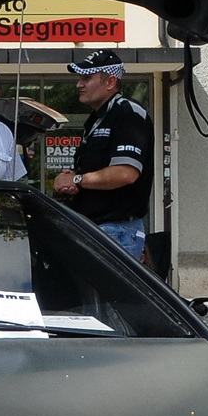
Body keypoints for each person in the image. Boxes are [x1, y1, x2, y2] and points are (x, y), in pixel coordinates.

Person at [52, 50, 153, 260]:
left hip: (116, 232)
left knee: (110, 294)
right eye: (80, 78)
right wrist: (71, 185)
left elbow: (126, 173)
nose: (79, 84)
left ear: (110, 82)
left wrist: (77, 180)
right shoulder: (96, 119)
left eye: (87, 78)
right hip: (94, 228)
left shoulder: (128, 114)